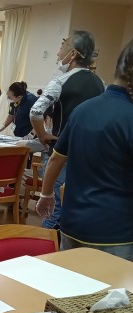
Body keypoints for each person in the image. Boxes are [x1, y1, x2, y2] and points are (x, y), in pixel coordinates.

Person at [36, 39, 133, 261]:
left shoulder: (82, 110)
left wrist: (46, 195)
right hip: (115, 234)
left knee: (69, 282)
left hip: (73, 226)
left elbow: (56, 159)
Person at [29, 31, 104, 230]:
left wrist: (43, 135)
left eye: (62, 47)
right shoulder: (101, 84)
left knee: (52, 207)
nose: (58, 53)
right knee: (74, 206)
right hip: (90, 156)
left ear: (73, 54)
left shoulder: (61, 81)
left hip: (61, 154)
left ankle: (46, 246)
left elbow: (35, 112)